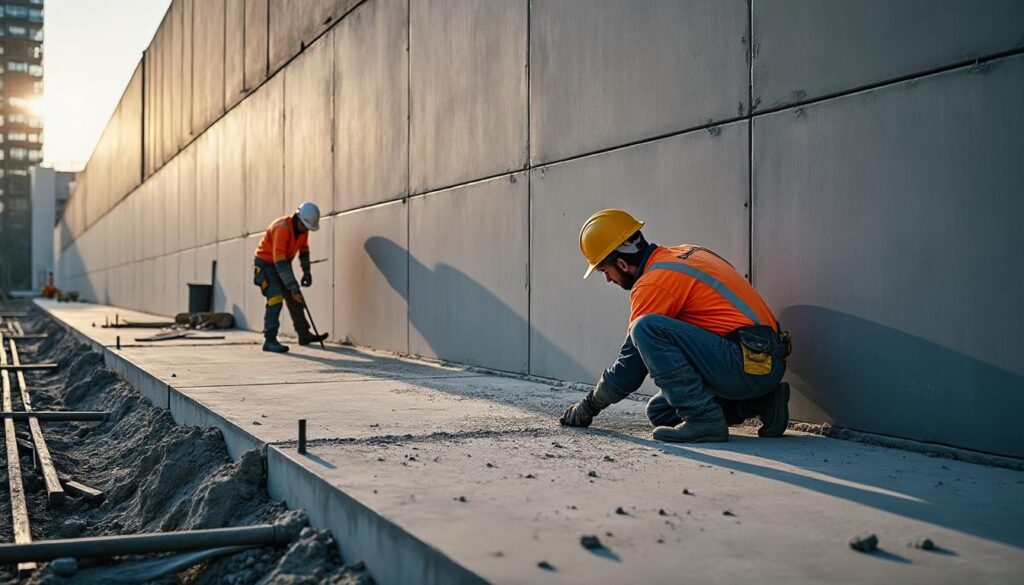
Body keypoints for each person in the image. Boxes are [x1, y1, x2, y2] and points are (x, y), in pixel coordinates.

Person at [560, 209, 792, 443]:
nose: (608, 279)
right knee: (660, 411)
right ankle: (761, 402)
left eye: (604, 271)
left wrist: (589, 405)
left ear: (621, 263)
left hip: (746, 365)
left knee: (645, 328)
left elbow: (630, 367)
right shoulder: (685, 253)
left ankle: (704, 420)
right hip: (763, 361)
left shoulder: (654, 282)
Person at [253, 202, 329, 353]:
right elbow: (278, 260)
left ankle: (304, 334)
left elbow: (304, 250)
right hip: (267, 264)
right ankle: (270, 340)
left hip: (282, 263)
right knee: (275, 297)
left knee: (296, 297)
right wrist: (292, 286)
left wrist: (306, 272)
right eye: (303, 226)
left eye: (307, 228)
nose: (305, 231)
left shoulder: (303, 229)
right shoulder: (282, 228)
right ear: (297, 218)